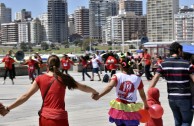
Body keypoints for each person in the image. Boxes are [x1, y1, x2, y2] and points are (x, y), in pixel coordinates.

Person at [0, 55, 98, 126]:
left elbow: (25, 96)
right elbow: (83, 87)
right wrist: (95, 92)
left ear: (47, 65)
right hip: (60, 118)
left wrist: (8, 108)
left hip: (45, 118)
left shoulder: (40, 79)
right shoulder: (64, 78)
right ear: (59, 65)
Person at [93, 57, 148, 126]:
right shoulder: (138, 79)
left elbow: (110, 87)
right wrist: (145, 104)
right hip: (131, 109)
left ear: (121, 65)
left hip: (119, 108)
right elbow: (142, 94)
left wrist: (99, 96)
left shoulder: (117, 76)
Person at [149, 42, 194, 126]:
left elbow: (155, 78)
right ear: (179, 50)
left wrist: (149, 93)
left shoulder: (163, 64)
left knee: (177, 121)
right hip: (185, 98)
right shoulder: (187, 64)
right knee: (186, 122)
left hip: (172, 98)